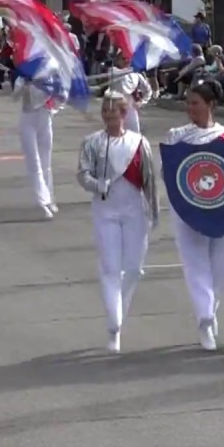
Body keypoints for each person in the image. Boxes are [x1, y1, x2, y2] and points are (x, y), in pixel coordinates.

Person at [76, 92, 159, 353]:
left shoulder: (139, 142)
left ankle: (119, 313)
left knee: (134, 269)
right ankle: (114, 326)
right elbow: (82, 174)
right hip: (106, 210)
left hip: (135, 210)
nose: (110, 117)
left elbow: (150, 180)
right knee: (111, 269)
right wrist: (96, 184)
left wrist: (154, 210)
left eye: (115, 112)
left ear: (124, 115)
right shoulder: (92, 143)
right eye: (106, 112)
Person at [166, 83, 224, 351]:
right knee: (196, 265)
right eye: (188, 103)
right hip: (188, 209)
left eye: (195, 103)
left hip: (223, 208)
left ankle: (209, 308)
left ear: (211, 105)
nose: (190, 108)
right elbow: (171, 171)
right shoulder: (177, 136)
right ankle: (205, 319)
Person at [13, 77, 59, 219]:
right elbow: (15, 97)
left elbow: (59, 99)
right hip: (28, 123)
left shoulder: (51, 77)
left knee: (46, 162)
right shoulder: (22, 78)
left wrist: (56, 91)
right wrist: (24, 86)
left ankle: (49, 198)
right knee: (34, 162)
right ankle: (42, 202)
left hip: (45, 121)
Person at [104, 51, 152, 133]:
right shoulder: (113, 71)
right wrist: (133, 69)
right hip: (114, 105)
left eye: (128, 59)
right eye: (123, 59)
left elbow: (148, 90)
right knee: (115, 133)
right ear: (117, 60)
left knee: (134, 133)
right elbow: (118, 73)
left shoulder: (137, 75)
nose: (126, 61)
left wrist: (142, 102)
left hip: (130, 106)